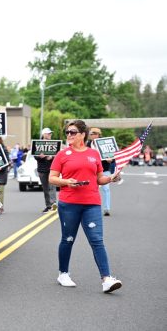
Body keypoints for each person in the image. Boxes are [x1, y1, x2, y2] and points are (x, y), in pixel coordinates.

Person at [49, 120, 122, 293]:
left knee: (97, 240)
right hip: (69, 203)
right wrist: (66, 181)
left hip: (92, 204)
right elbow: (52, 178)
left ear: (83, 134)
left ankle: (106, 279)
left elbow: (99, 179)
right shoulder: (62, 154)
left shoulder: (94, 154)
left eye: (73, 132)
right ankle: (63, 273)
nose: (69, 135)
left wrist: (112, 177)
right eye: (67, 132)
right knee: (68, 239)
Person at [87, 127, 115, 216]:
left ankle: (107, 209)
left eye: (94, 133)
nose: (92, 135)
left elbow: (112, 156)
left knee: (106, 189)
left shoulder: (105, 143)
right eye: (91, 134)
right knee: (91, 189)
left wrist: (111, 159)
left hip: (104, 169)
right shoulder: (88, 144)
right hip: (91, 169)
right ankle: (91, 207)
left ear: (99, 135)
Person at [35, 127, 58, 214]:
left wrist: (52, 157)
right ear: (43, 135)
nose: (50, 135)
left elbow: (58, 155)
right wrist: (40, 157)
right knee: (45, 189)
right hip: (42, 169)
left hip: (52, 169)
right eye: (48, 133)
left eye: (50, 133)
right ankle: (48, 205)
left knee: (52, 187)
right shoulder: (38, 144)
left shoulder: (54, 144)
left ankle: (53, 204)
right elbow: (35, 156)